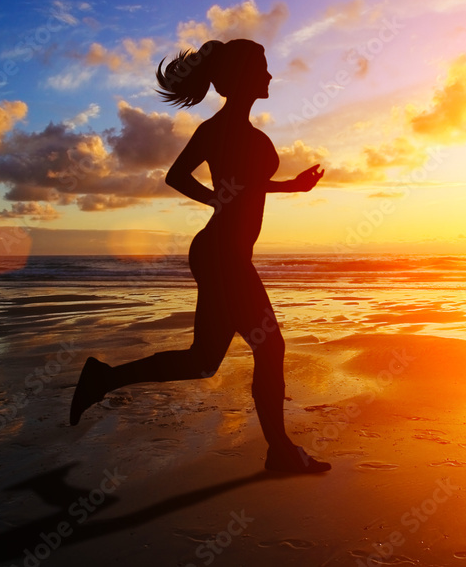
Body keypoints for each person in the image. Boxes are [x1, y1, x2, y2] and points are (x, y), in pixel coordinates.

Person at [70, 38, 331, 474]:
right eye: (263, 68)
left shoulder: (243, 133)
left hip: (222, 254)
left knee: (203, 361)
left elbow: (247, 184)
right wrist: (216, 201)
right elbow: (176, 175)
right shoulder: (215, 130)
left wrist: (291, 187)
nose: (269, 75)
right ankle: (280, 452)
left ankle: (103, 378)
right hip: (222, 254)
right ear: (244, 77)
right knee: (271, 348)